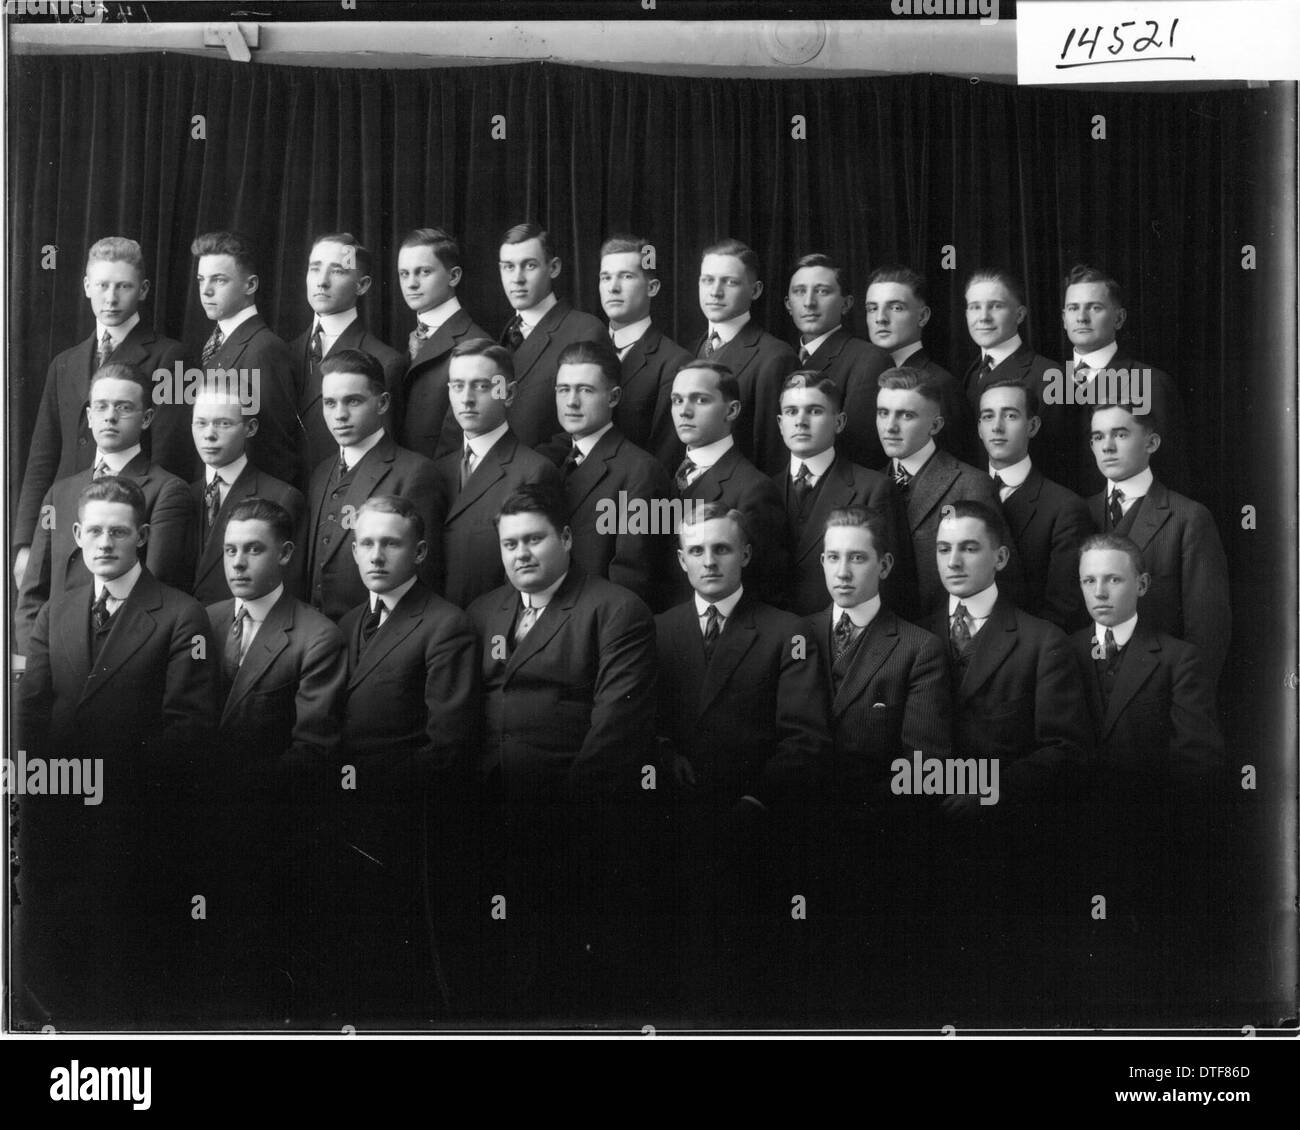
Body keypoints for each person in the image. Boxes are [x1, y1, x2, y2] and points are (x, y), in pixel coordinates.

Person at [14, 476, 216, 1025]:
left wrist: (108, 786)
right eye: (96, 531)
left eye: (120, 533)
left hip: (135, 822)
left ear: (143, 536)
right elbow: (29, 714)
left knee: (123, 972)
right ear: (77, 535)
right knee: (54, 965)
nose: (106, 543)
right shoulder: (57, 610)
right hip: (56, 815)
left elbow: (186, 730)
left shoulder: (179, 615)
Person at [466, 483, 657, 1014]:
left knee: (560, 971)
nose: (521, 554)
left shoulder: (615, 609)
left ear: (567, 538)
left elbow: (616, 727)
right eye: (510, 545)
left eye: (534, 540)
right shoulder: (484, 611)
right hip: (484, 808)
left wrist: (564, 813)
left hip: (570, 815)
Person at [654, 502, 830, 1017]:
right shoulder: (656, 629)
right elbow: (638, 721)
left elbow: (805, 739)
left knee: (741, 981)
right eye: (697, 551)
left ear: (745, 555)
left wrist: (755, 801)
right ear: (681, 559)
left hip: (752, 823)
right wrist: (662, 755)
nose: (710, 561)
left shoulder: (785, 631)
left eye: (722, 549)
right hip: (671, 818)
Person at [331, 496, 481, 1018]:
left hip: (404, 821)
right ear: (352, 550)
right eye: (367, 543)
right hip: (342, 819)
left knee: (400, 969)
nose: (376, 555)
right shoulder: (348, 622)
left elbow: (449, 744)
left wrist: (369, 787)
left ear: (418, 552)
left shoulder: (445, 624)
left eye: (391, 543)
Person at [203, 497, 347, 1019]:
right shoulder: (204, 622)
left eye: (254, 550)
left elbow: (313, 751)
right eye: (230, 550)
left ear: (285, 554)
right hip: (197, 826)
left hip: (270, 830)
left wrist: (226, 793)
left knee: (257, 975)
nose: (238, 563)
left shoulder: (315, 636)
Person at [1070, 534, 1225, 1016]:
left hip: (1149, 842)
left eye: (1113, 579)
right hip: (1072, 840)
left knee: (1143, 980)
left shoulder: (1177, 658)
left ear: (1141, 583)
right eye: (1089, 581)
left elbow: (1196, 763)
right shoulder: (1061, 651)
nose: (1100, 592)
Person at [15, 236, 187, 587]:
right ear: (86, 286)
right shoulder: (65, 362)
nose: (111, 298)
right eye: (103, 285)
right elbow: (42, 459)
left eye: (123, 286)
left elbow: (170, 454)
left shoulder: (170, 357)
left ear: (143, 289)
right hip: (66, 527)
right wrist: (24, 544)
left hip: (125, 531)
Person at [15, 364, 192, 656]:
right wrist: (39, 655)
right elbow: (32, 593)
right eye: (101, 407)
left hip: (120, 654)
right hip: (54, 654)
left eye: (123, 407)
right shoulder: (58, 493)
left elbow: (155, 589)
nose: (110, 416)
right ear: (89, 416)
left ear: (146, 418)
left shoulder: (167, 490)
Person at [1087, 403, 1230, 687]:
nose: (1108, 447)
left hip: (1161, 694)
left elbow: (1206, 633)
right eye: (1098, 437)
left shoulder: (1188, 517)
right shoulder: (1079, 513)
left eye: (1121, 435)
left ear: (1151, 443)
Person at [304, 349, 439, 620]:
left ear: (382, 403)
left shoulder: (414, 473)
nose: (339, 415)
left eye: (353, 401)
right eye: (330, 403)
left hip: (377, 633)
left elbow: (424, 575)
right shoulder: (320, 473)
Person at [539, 338, 672, 607]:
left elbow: (636, 579)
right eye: (563, 390)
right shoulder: (546, 462)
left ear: (613, 397)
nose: (572, 402)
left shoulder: (643, 472)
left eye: (585, 390)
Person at [433, 339, 561, 609]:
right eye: (457, 386)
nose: (466, 398)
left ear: (509, 394)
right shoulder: (436, 470)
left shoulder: (533, 471)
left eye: (481, 386)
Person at [875, 365, 1006, 618]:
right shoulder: (868, 486)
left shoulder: (971, 485)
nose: (890, 426)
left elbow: (1001, 582)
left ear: (935, 425)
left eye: (906, 416)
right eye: (883, 413)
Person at [1060, 263, 1189, 496]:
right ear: (1064, 319)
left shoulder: (1151, 383)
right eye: (1072, 308)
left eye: (1094, 308)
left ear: (1119, 319)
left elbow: (1169, 474)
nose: (1081, 317)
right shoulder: (1048, 380)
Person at [667, 361, 787, 607]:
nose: (684, 411)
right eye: (677, 400)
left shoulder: (754, 489)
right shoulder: (663, 475)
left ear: (731, 411)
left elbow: (764, 587)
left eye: (700, 400)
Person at [771, 371, 891, 616]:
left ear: (839, 422)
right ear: (780, 423)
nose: (801, 422)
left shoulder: (873, 488)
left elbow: (890, 585)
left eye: (814, 411)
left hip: (841, 631)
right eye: (792, 412)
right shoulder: (762, 489)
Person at [979, 379, 1093, 631]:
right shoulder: (964, 490)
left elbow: (1063, 609)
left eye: (1010, 415)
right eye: (988, 417)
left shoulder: (1064, 508)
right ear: (979, 428)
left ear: (1032, 426)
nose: (997, 427)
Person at [191, 230, 302, 488]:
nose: (206, 291)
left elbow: (274, 449)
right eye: (200, 280)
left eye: (218, 280)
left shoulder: (263, 349)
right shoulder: (218, 342)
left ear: (250, 285)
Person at [290, 232, 405, 473]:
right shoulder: (284, 352)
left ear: (362, 285)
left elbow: (383, 463)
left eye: (337, 271)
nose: (322, 281)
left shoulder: (385, 362)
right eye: (314, 268)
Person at [188, 385, 306, 605]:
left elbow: (290, 591)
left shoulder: (282, 498)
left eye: (224, 424)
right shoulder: (183, 495)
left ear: (250, 428)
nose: (209, 435)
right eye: (201, 423)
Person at [691, 238, 798, 473]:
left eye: (729, 282)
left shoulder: (775, 358)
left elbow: (773, 456)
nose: (715, 292)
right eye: (707, 280)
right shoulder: (693, 348)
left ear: (756, 290)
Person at [496, 222, 606, 448]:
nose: (517, 278)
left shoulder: (585, 331)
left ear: (554, 268)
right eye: (508, 267)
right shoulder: (503, 334)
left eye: (529, 265)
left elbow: (587, 428)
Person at [784, 252, 890, 469]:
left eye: (822, 292)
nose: (809, 302)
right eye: (799, 292)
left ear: (846, 304)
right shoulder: (783, 358)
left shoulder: (869, 359)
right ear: (788, 304)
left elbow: (858, 448)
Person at [393, 226, 490, 460]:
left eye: (424, 272)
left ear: (453, 276)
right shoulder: (411, 339)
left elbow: (457, 442)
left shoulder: (478, 345)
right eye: (404, 274)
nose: (411, 283)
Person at [598, 233, 693, 470]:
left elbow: (665, 456)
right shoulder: (587, 348)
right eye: (605, 277)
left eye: (626, 276)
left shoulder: (674, 363)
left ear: (652, 287)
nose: (613, 287)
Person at [961, 268, 1064, 480]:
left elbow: (1057, 457)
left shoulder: (1050, 375)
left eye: (995, 306)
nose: (983, 317)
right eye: (974, 307)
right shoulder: (971, 373)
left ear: (1019, 315)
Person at [862, 265, 970, 462]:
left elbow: (955, 472)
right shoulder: (862, 379)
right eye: (872, 308)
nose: (880, 319)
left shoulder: (941, 384)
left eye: (895, 308)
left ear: (922, 316)